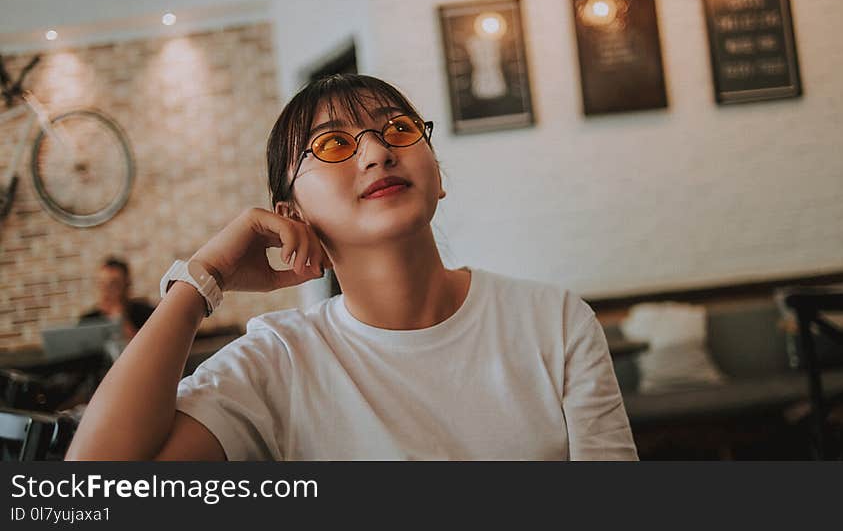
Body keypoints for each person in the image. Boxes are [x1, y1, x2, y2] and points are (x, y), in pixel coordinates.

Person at [65, 74, 638, 461]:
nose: (377, 151)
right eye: (334, 144)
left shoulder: (554, 322)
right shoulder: (280, 361)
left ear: (437, 173)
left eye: (398, 130)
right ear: (289, 213)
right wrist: (203, 276)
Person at [79, 257, 155, 340]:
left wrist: (119, 318)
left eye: (114, 284)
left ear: (127, 284)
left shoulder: (147, 314)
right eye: (103, 283)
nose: (107, 290)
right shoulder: (88, 321)